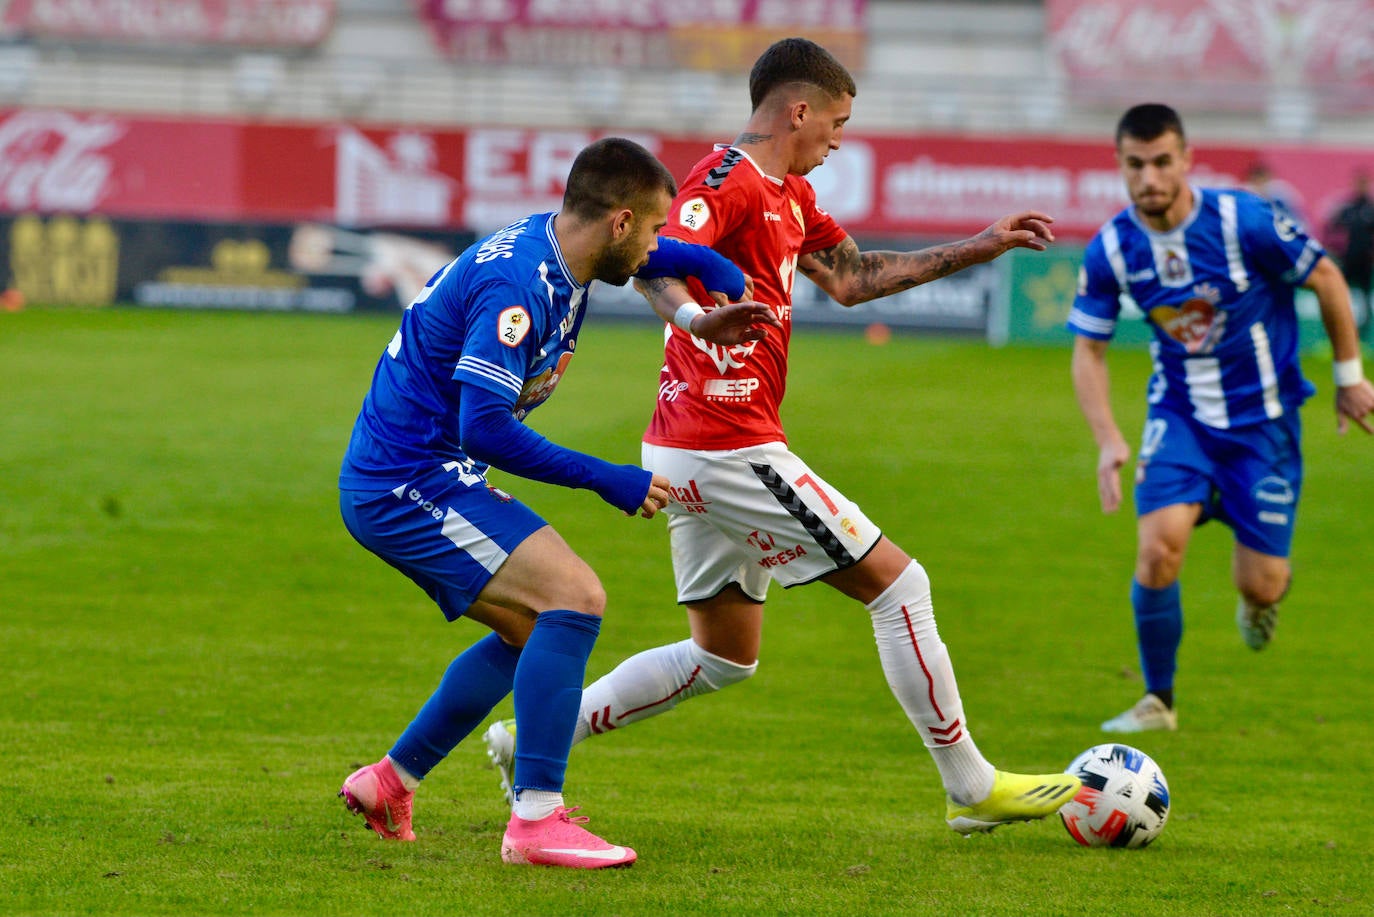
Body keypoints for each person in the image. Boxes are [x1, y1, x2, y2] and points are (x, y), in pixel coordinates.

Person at [484, 37, 1082, 836]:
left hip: (692, 443)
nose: (838, 140)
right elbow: (654, 259)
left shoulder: (792, 196)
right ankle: (970, 785)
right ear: (797, 110)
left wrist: (985, 242)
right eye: (835, 122)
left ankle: (528, 745)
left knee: (724, 655)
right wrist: (698, 317)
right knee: (901, 587)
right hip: (722, 437)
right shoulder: (723, 184)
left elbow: (852, 278)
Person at [335, 137, 778, 868]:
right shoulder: (519, 287)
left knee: (528, 630)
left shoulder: (561, 245)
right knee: (574, 598)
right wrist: (607, 476)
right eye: (657, 228)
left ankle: (390, 780)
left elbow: (638, 258)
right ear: (619, 221)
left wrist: (700, 268)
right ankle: (535, 819)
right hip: (408, 479)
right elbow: (485, 426)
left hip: (423, 470)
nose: (660, 245)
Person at [1067, 104, 1374, 733]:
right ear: (1121, 166)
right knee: (1157, 551)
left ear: (1185, 160)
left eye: (1160, 162)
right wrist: (1107, 439)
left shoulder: (1245, 220)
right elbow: (1088, 351)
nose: (1148, 177)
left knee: (1261, 583)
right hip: (1179, 419)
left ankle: (1263, 600)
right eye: (1135, 164)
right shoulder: (1114, 249)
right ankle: (1159, 700)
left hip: (1264, 428)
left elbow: (1328, 278)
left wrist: (1349, 379)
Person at [1326, 170, 1374, 340]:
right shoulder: (1348, 209)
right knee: (1340, 298)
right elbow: (1332, 229)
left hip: (1366, 263)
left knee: (1366, 301)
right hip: (1348, 261)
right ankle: (1338, 337)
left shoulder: (1371, 209)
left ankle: (1363, 340)